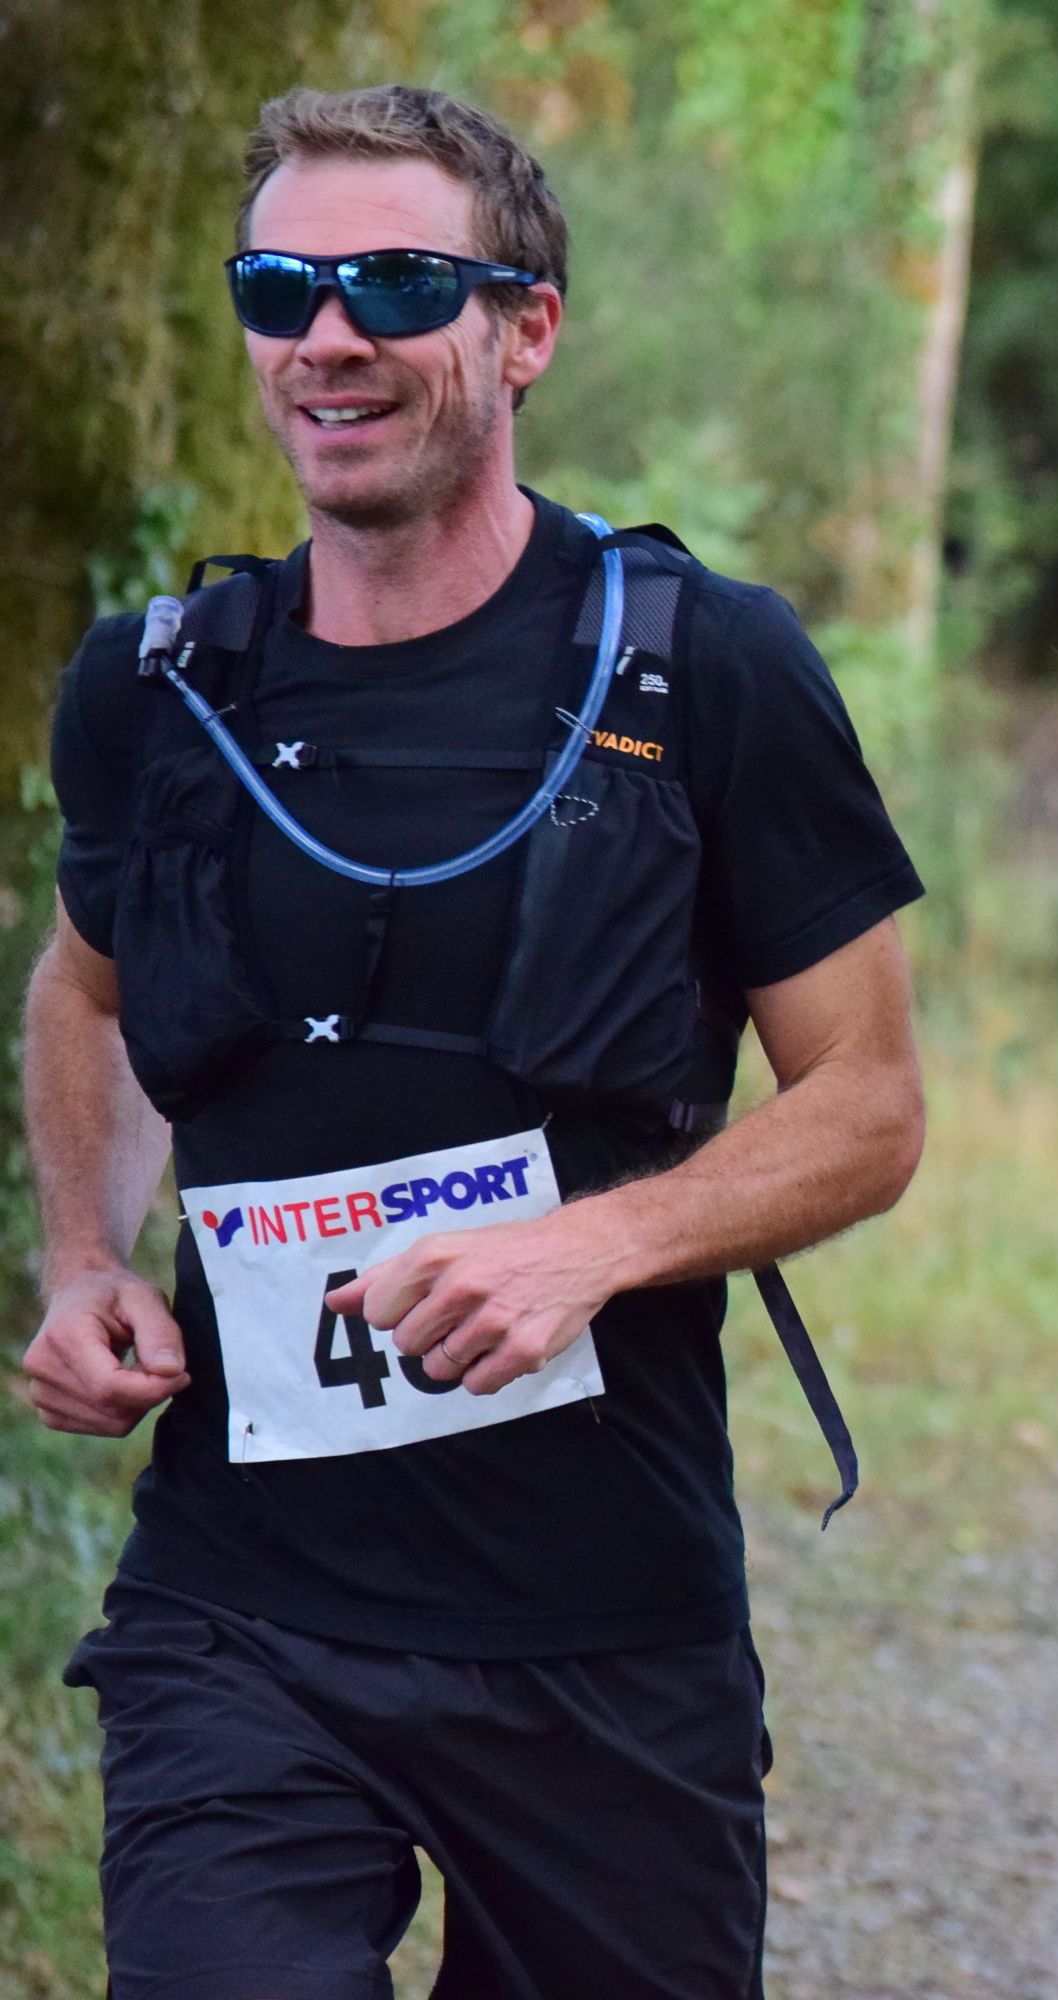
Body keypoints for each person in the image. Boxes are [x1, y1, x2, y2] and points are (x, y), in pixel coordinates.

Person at [14, 85, 925, 1998]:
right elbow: (89, 988)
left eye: (399, 284)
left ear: (527, 330)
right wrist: (88, 1255)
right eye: (281, 290)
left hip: (604, 1628)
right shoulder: (161, 688)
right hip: (241, 1609)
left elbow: (868, 1105)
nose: (328, 334)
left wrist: (596, 1245)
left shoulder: (705, 666)